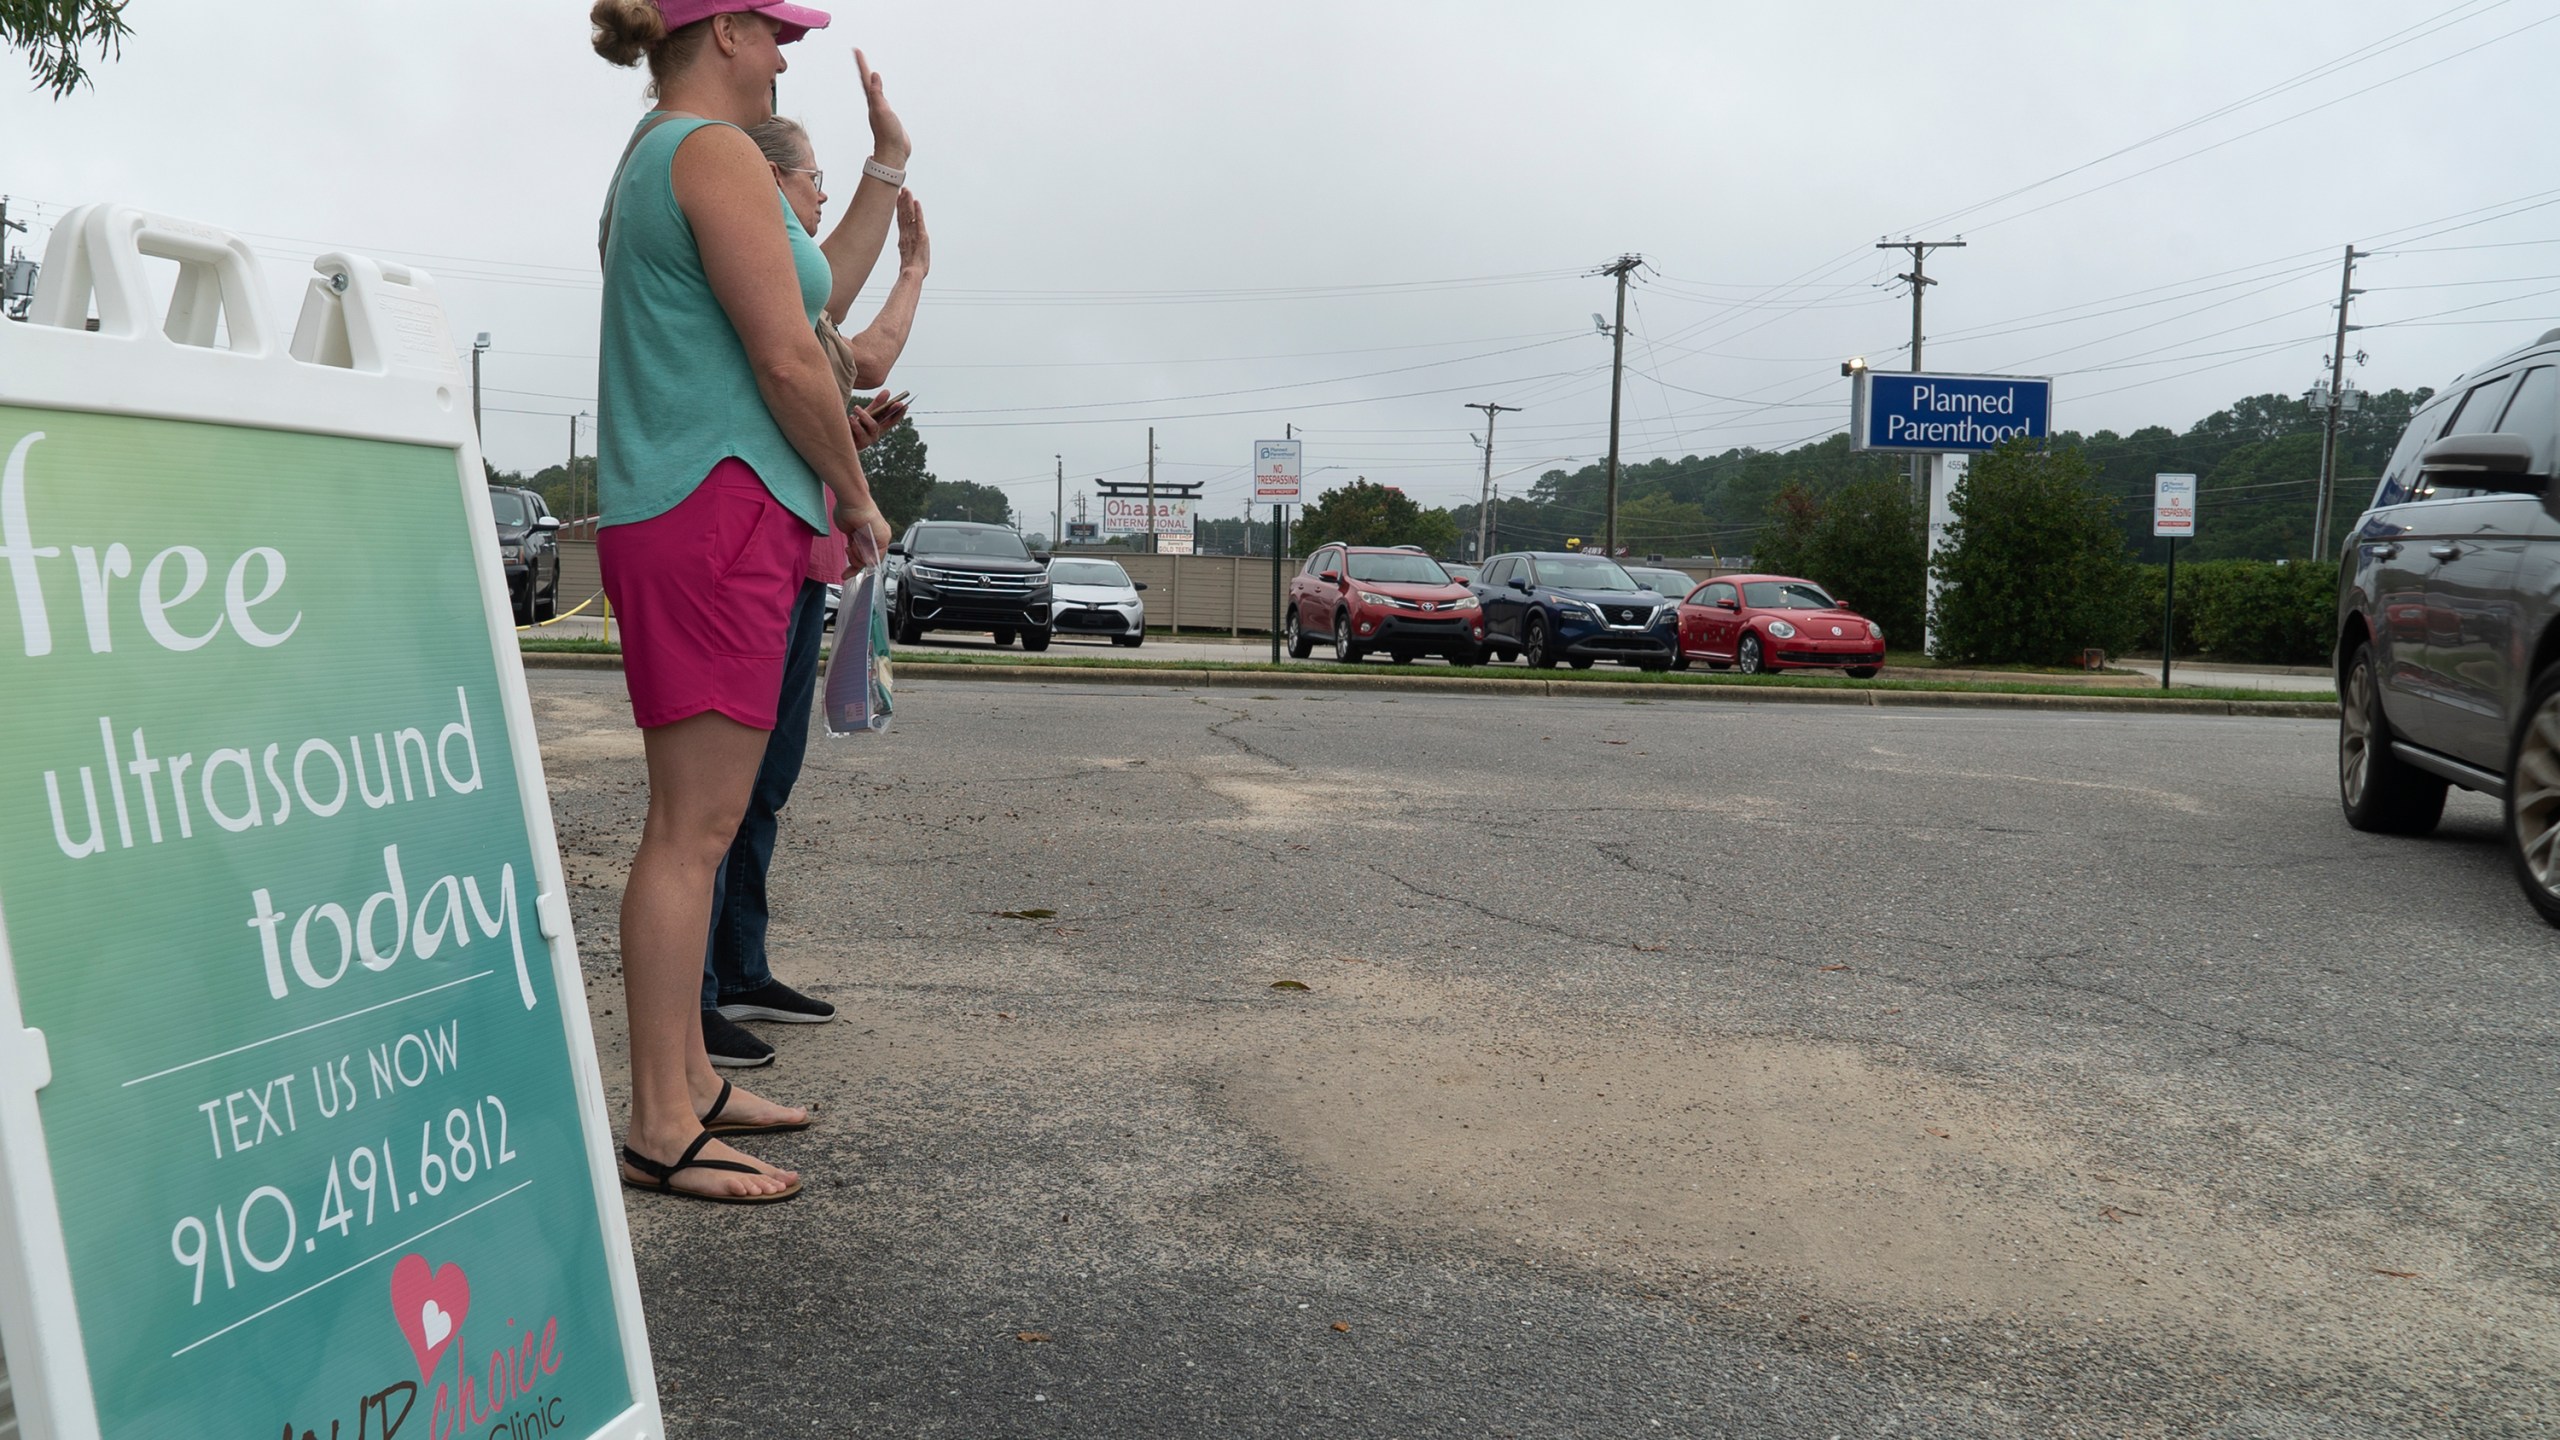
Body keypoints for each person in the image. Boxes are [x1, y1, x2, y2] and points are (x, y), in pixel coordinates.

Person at [588, 0, 890, 1203]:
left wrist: (887, 170)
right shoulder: (705, 152)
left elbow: (807, 327)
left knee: (697, 827)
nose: (784, 54)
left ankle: (689, 1081)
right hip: (711, 509)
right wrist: (857, 495)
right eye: (774, 33)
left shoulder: (671, 156)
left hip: (715, 506)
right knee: (691, 830)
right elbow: (784, 357)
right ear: (719, 33)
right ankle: (661, 1121)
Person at [701, 95, 932, 1068]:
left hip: (802, 559)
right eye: (813, 179)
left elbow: (851, 365)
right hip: (746, 552)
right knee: (716, 791)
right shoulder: (756, 279)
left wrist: (849, 438)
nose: (822, 193)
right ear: (772, 185)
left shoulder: (800, 300)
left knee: (769, 780)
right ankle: (697, 992)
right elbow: (833, 359)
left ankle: (740, 965)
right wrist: (912, 259)